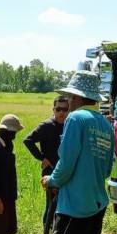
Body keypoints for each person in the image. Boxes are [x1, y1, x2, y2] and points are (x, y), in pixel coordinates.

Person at [3, 70, 115, 234]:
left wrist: (52, 180)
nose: (68, 101)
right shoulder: (106, 124)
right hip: (97, 202)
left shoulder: (76, 119)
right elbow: (107, 167)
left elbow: (67, 161)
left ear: (76, 97)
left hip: (74, 205)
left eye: (69, 97)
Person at [23, 95, 70, 226]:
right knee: (51, 204)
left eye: (65, 109)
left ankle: (58, 231)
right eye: (58, 109)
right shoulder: (46, 125)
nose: (61, 112)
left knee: (64, 205)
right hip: (50, 171)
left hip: (66, 170)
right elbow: (28, 140)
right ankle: (46, 232)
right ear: (53, 110)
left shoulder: (70, 125)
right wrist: (42, 157)